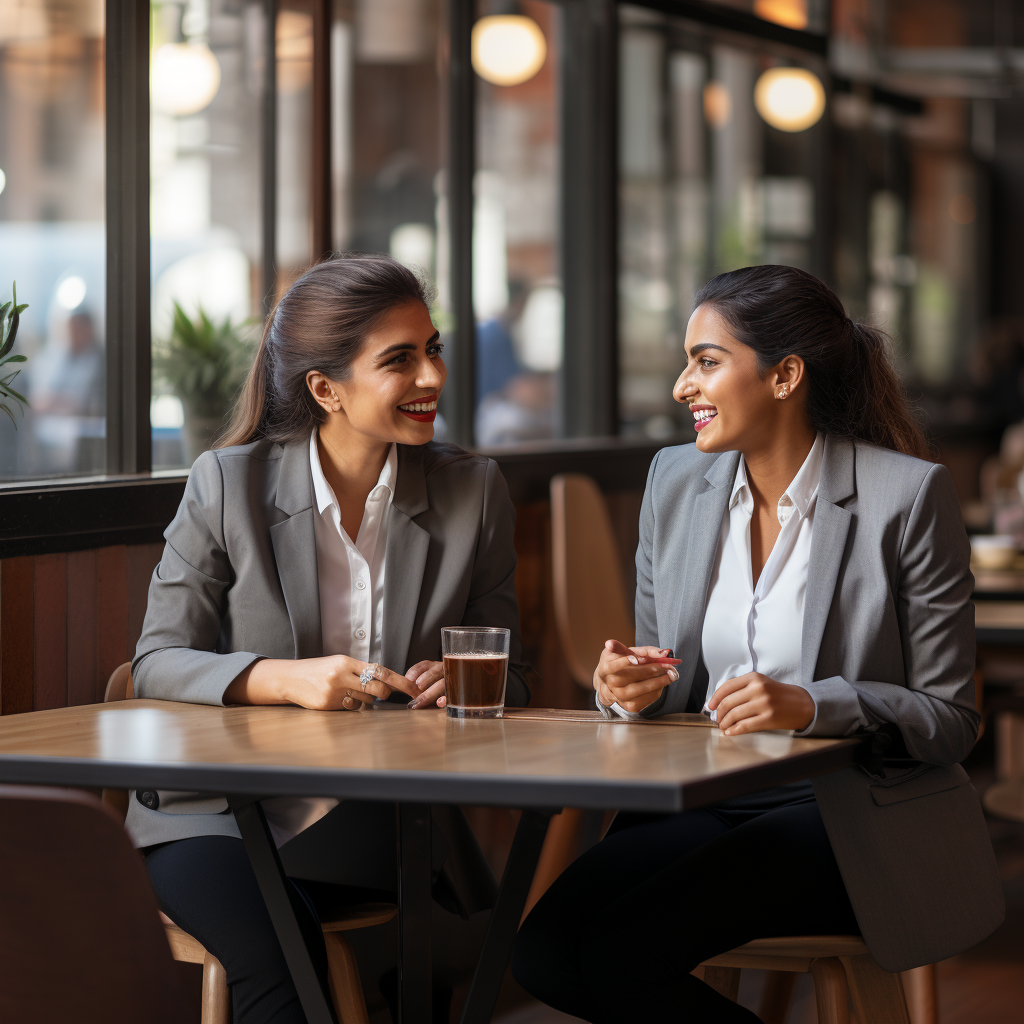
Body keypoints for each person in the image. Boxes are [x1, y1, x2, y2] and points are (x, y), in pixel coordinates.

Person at [512, 264, 1004, 1023]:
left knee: (620, 953)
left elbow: (951, 721)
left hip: (843, 809)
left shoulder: (905, 497)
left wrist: (812, 704)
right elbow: (659, 676)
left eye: (706, 362)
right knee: (542, 953)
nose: (682, 386)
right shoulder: (674, 481)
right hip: (704, 795)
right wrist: (622, 690)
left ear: (785, 376)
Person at [128, 253, 530, 1024]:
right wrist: (284, 677)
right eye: (400, 360)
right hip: (211, 814)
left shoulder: (471, 492)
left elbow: (513, 673)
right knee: (285, 955)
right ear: (325, 389)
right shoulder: (226, 485)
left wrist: (466, 686)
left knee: (438, 959)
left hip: (374, 816)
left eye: (433, 349)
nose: (433, 377)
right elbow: (156, 662)